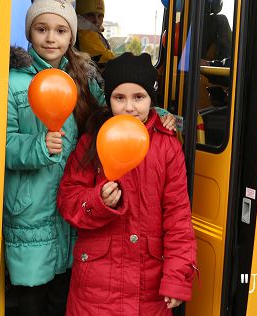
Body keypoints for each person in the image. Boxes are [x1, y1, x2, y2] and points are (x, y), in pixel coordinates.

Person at [5, 0, 176, 315]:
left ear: (72, 36)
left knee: (62, 294)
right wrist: (37, 147)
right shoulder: (13, 82)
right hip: (31, 209)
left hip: (74, 209)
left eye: (60, 30)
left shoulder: (82, 79)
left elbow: (112, 112)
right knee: (31, 299)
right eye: (41, 29)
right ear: (29, 33)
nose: (51, 38)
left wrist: (159, 115)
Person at [57, 52, 197, 315]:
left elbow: (178, 217)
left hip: (149, 287)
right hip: (96, 285)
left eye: (139, 97)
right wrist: (98, 201)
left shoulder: (167, 146)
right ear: (108, 100)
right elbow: (68, 200)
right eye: (119, 98)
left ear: (151, 99)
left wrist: (177, 278)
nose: (129, 107)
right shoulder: (92, 141)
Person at [75, 0, 116, 64]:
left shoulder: (95, 32)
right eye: (90, 15)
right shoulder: (84, 33)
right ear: (80, 16)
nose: (96, 21)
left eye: (100, 16)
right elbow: (106, 59)